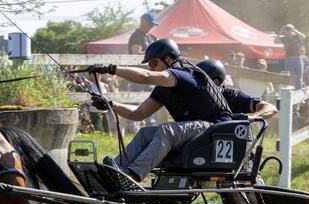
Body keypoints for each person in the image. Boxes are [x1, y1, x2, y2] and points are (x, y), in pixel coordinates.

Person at [86, 38, 232, 183]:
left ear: (169, 59)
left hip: (216, 128)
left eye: (154, 64)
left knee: (167, 130)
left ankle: (131, 175)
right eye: (150, 66)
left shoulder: (184, 74)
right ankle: (113, 171)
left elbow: (146, 76)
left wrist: (111, 69)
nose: (152, 69)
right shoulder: (163, 89)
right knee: (145, 133)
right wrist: (111, 104)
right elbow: (138, 114)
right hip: (198, 131)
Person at [197, 60, 278, 119]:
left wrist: (253, 117)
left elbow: (270, 107)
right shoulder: (191, 93)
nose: (196, 82)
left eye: (199, 79)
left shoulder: (231, 96)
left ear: (216, 82)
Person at [275, 24, 306, 89]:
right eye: (287, 30)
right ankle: (292, 92)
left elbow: (303, 37)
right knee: (291, 77)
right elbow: (275, 41)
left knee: (299, 77)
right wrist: (281, 31)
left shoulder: (296, 36)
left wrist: (295, 30)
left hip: (298, 58)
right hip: (289, 59)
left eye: (289, 29)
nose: (288, 31)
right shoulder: (284, 38)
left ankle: (299, 93)